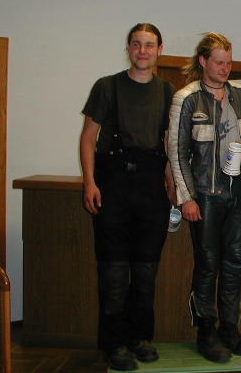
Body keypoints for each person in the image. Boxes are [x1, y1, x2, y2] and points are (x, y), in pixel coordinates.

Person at [80, 23, 176, 371]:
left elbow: (169, 143)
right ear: (128, 48)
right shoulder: (106, 87)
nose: (142, 51)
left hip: (152, 186)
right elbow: (88, 137)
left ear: (159, 49)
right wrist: (90, 182)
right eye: (136, 44)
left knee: (146, 271)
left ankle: (140, 339)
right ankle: (114, 344)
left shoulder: (168, 92)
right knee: (114, 271)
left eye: (149, 45)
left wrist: (172, 183)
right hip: (113, 183)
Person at [168, 32, 241, 363]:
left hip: (238, 191)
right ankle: (205, 333)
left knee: (235, 262)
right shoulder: (186, 99)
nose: (225, 68)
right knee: (207, 264)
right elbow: (176, 153)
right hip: (205, 194)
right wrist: (187, 198)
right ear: (203, 61)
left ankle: (229, 328)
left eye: (229, 62)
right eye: (219, 62)